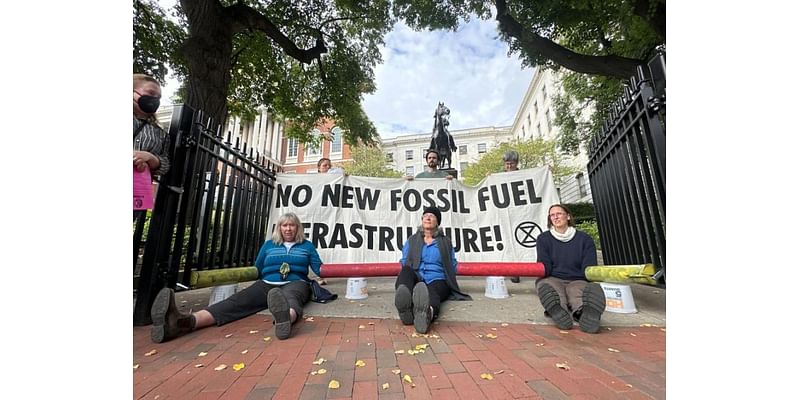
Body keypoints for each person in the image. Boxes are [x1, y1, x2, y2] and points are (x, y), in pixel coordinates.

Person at [150, 212, 324, 343]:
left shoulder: (306, 246)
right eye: (284, 225)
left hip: (295, 282)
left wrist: (326, 275)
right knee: (234, 302)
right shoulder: (269, 245)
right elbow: (258, 267)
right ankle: (183, 322)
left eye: (292, 225)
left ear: (298, 227)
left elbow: (319, 267)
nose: (288, 228)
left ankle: (285, 318)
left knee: (291, 299)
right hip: (267, 283)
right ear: (279, 228)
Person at [394, 207, 471, 333]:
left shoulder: (445, 242)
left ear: (437, 222)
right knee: (406, 271)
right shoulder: (412, 240)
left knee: (431, 291)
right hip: (417, 276)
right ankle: (405, 307)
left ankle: (427, 314)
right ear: (422, 220)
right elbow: (404, 260)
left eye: (432, 216)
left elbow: (451, 264)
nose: (428, 218)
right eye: (425, 216)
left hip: (437, 278)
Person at [535, 204, 605, 333]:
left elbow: (589, 265)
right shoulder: (543, 239)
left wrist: (587, 277)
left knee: (577, 292)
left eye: (559, 214)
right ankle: (559, 312)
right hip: (553, 277)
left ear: (568, 216)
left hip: (577, 278)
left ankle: (585, 314)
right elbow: (544, 263)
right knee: (552, 291)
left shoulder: (585, 239)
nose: (555, 217)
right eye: (552, 215)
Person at [133, 74, 170, 220]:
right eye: (150, 93)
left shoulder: (161, 134)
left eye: (158, 97)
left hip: (135, 190)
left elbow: (165, 164)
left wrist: (149, 158)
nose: (155, 100)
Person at [502, 150, 522, 283]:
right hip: (505, 214)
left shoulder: (524, 175)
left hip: (520, 213)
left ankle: (519, 269)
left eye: (512, 164)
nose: (509, 166)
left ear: (516, 163)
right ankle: (512, 270)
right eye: (507, 164)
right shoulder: (499, 177)